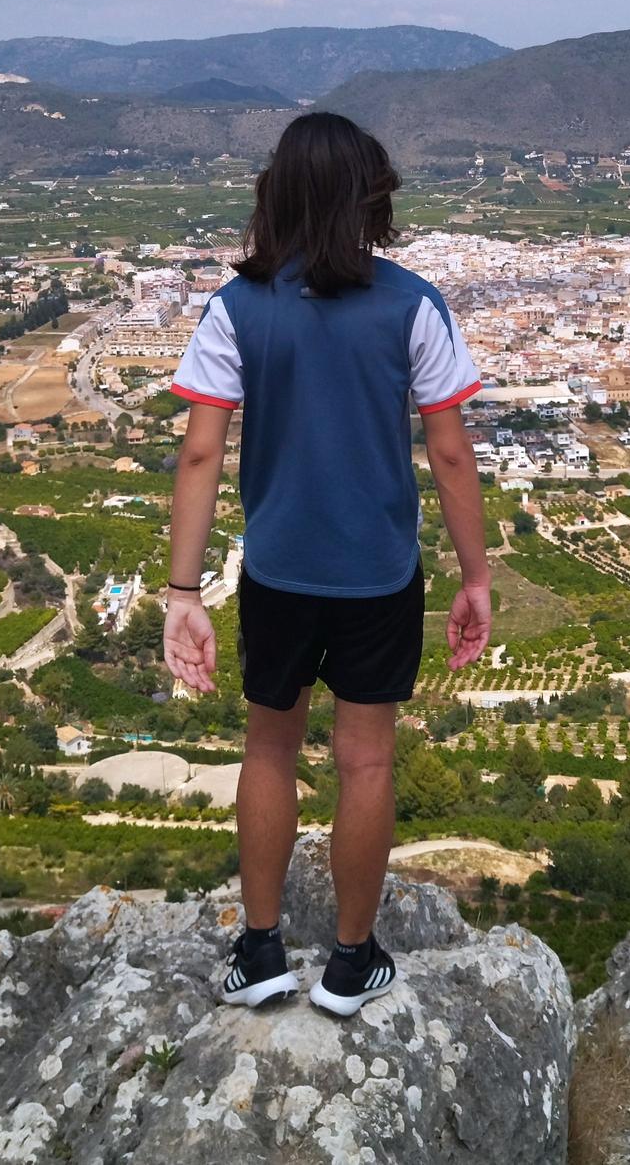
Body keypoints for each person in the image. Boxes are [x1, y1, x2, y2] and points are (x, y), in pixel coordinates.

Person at [162, 112, 492, 1017]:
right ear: (371, 201)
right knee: (366, 762)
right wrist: (476, 576)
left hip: (275, 570)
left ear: (277, 197)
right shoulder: (412, 305)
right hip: (379, 574)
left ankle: (261, 949)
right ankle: (351, 964)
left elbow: (199, 456)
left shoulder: (235, 308)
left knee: (268, 750)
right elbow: (452, 455)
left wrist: (182, 592)